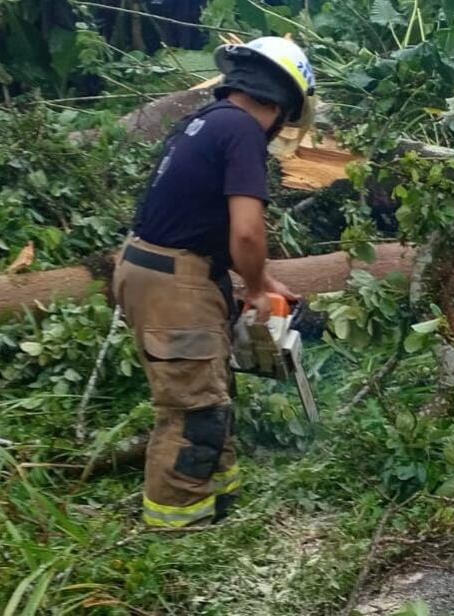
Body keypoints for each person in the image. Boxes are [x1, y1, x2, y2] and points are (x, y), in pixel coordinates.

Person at [113, 36, 314, 528]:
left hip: (160, 269)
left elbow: (205, 220)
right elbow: (246, 231)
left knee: (212, 388)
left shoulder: (201, 123)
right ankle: (176, 525)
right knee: (193, 409)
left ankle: (218, 498)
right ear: (280, 105)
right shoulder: (243, 132)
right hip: (173, 282)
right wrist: (255, 290)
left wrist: (263, 279)